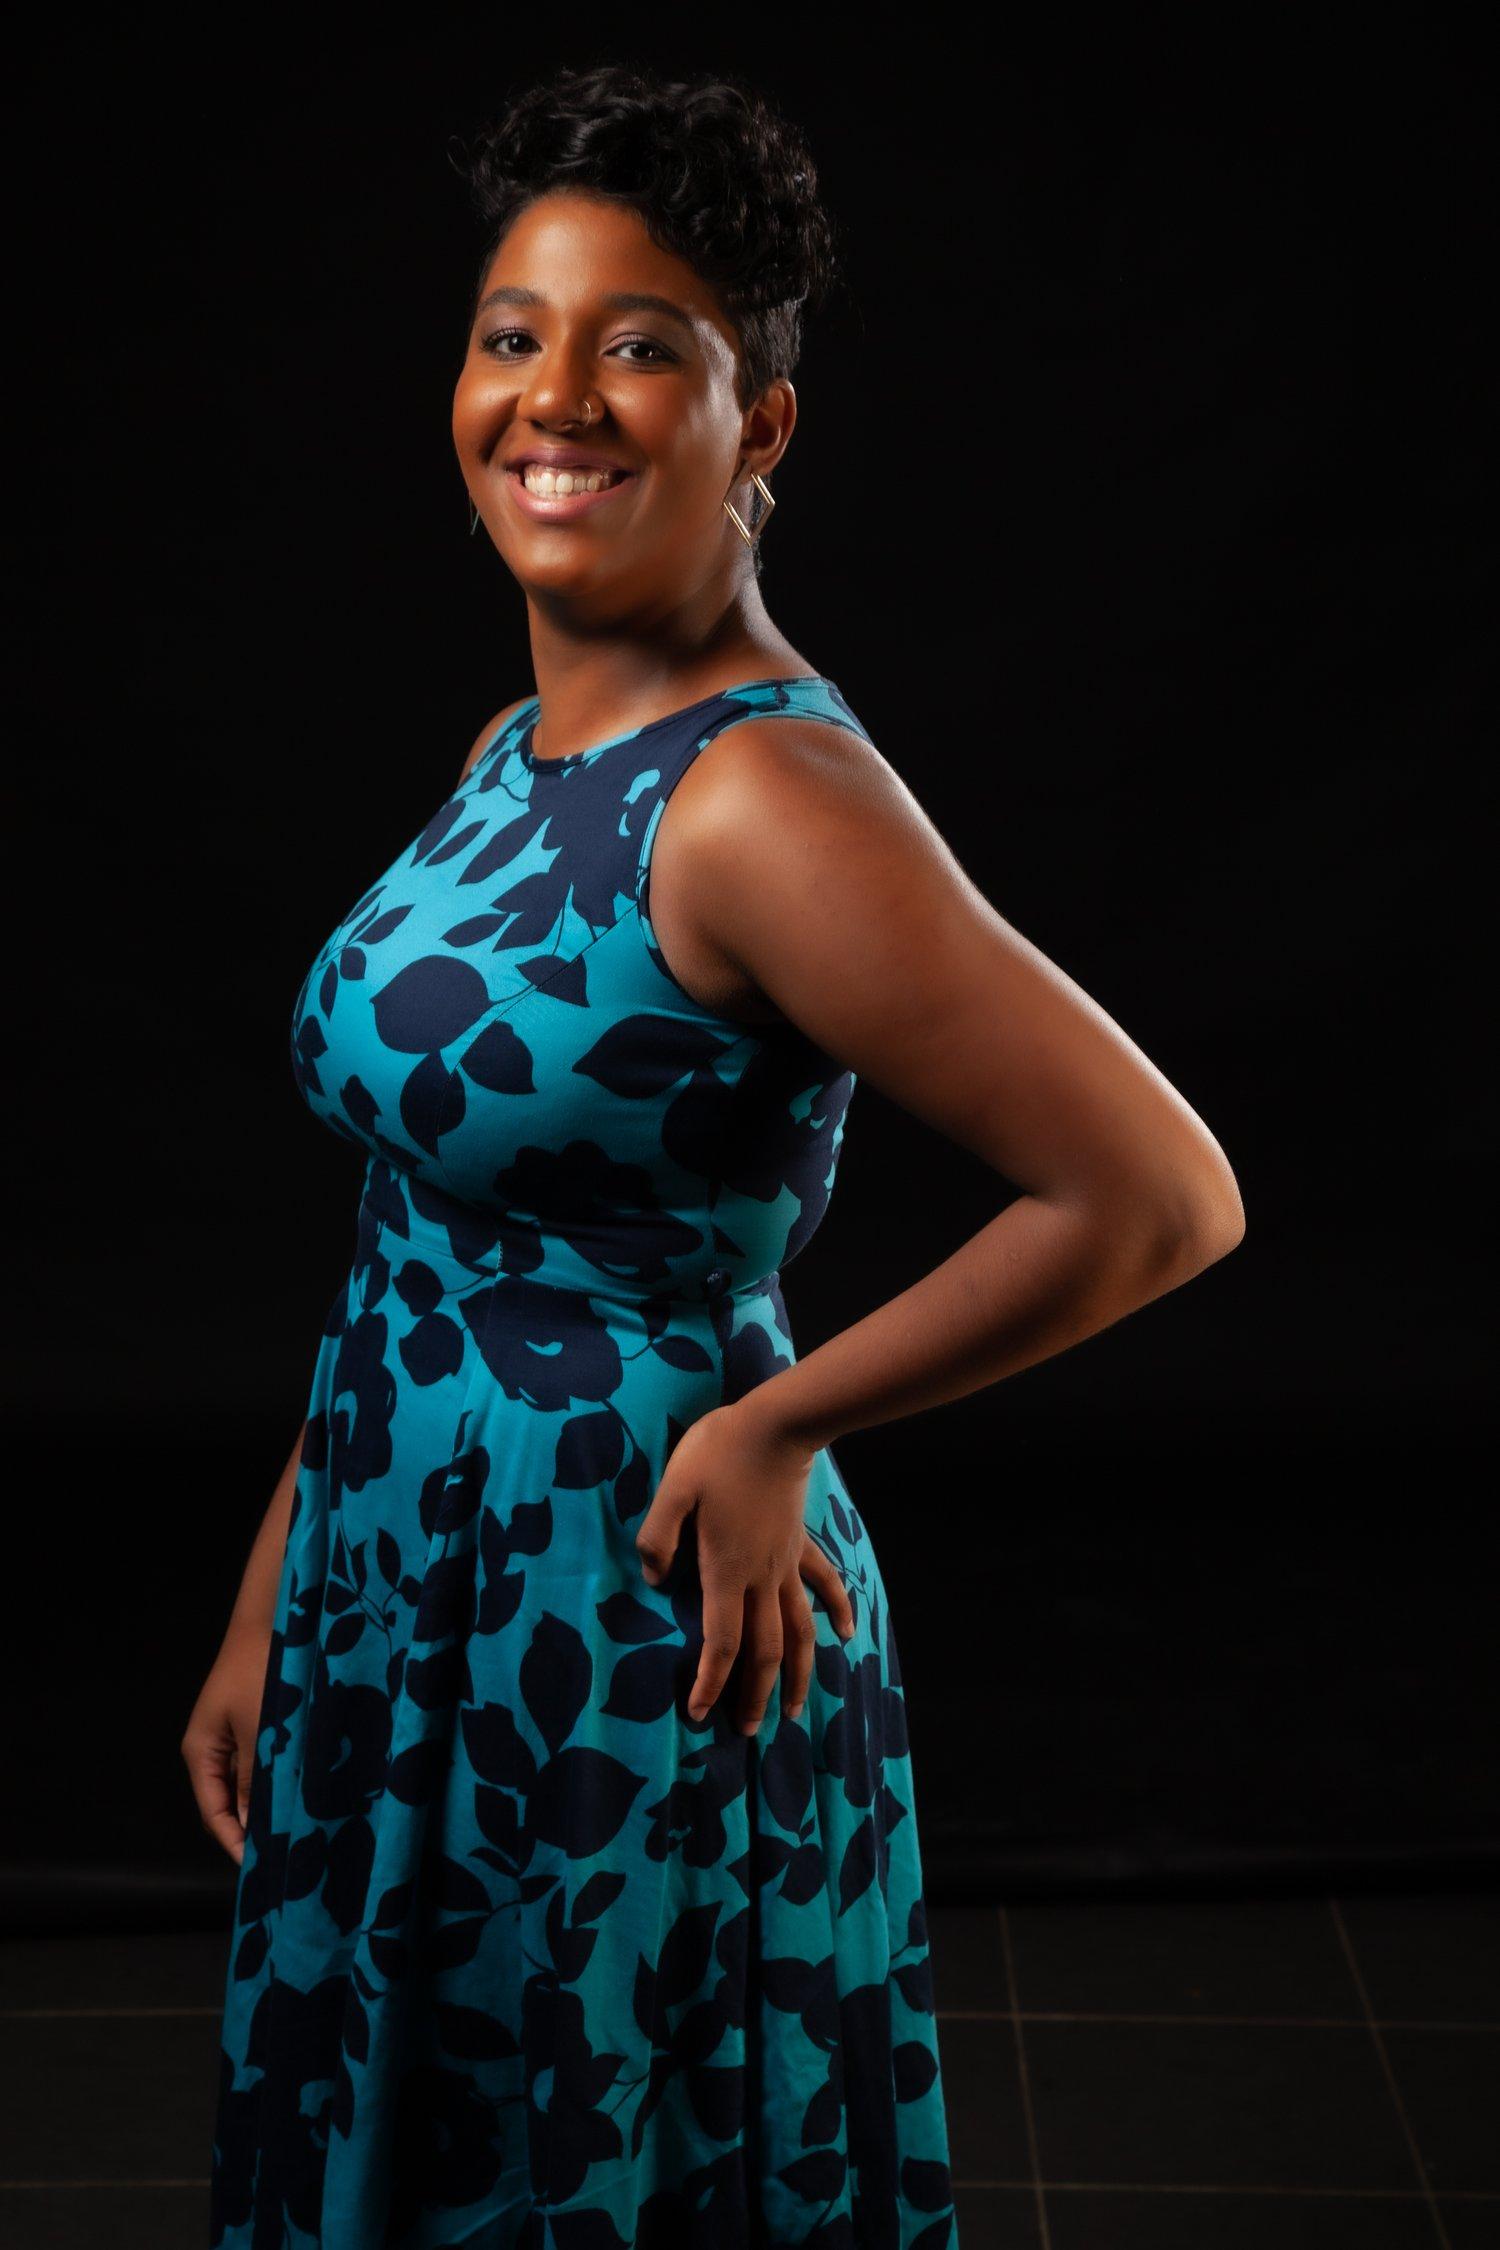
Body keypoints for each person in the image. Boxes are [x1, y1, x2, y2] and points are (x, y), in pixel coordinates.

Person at [184, 60, 1244, 2249]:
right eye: (512, 334)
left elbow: (1157, 1197)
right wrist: (285, 1577)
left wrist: (783, 1425)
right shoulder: (518, 747)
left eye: (638, 346)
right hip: (407, 1579)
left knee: (591, 2161)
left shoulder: (763, 802)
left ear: (759, 424)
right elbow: (427, 1216)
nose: (551, 398)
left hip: (623, 1614)